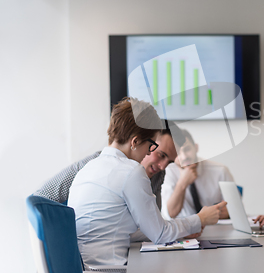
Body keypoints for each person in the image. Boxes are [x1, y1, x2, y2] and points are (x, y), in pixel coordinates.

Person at [68, 97, 226, 266]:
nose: (148, 152)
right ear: (135, 141)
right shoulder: (131, 172)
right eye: (151, 145)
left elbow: (127, 231)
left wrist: (182, 230)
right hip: (111, 269)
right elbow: (161, 234)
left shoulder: (87, 169)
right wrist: (200, 219)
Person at [34, 120, 179, 210]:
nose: (163, 166)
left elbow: (154, 221)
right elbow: (41, 197)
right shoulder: (92, 166)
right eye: (161, 155)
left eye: (170, 161)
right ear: (139, 141)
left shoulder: (157, 175)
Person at [162, 128, 233, 219]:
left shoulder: (220, 170)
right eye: (178, 152)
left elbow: (235, 210)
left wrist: (229, 212)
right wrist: (182, 183)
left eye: (187, 149)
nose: (184, 157)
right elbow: (170, 214)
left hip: (214, 227)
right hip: (184, 229)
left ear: (196, 148)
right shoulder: (166, 172)